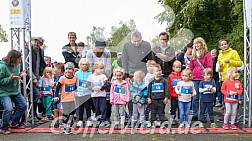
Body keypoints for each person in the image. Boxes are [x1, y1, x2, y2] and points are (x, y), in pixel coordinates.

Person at [0, 50, 27, 134]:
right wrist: (10, 79)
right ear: (13, 58)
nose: (20, 60)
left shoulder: (16, 66)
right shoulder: (2, 67)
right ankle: (3, 127)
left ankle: (14, 122)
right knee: (8, 108)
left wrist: (20, 75)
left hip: (15, 91)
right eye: (19, 59)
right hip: (4, 92)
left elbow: (15, 76)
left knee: (23, 105)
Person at [216, 39, 242, 122]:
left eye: (225, 44)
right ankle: (225, 115)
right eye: (222, 45)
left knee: (234, 97)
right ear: (220, 47)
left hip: (234, 78)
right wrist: (220, 68)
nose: (224, 46)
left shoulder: (233, 52)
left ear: (228, 45)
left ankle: (235, 116)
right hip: (225, 78)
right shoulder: (220, 55)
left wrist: (230, 61)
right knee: (226, 97)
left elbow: (239, 63)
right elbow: (220, 66)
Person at [189, 37, 212, 121]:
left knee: (204, 97)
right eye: (195, 43)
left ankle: (204, 115)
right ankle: (195, 114)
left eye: (199, 43)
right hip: (195, 78)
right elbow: (191, 67)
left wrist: (208, 76)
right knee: (195, 97)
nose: (197, 45)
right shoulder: (193, 55)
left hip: (204, 79)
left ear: (202, 44)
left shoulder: (207, 55)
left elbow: (209, 67)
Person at [24, 37, 46, 122]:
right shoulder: (27, 51)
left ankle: (33, 114)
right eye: (35, 42)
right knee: (35, 94)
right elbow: (26, 65)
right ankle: (31, 114)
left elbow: (41, 64)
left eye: (39, 43)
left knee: (35, 95)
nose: (36, 44)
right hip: (28, 77)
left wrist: (39, 75)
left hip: (36, 76)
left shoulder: (41, 51)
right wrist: (33, 78)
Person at [54, 62, 78, 134]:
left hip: (72, 99)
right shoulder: (62, 78)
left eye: (70, 69)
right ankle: (65, 127)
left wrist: (77, 93)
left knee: (72, 113)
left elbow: (76, 87)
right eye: (67, 69)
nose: (68, 71)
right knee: (65, 114)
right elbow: (57, 88)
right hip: (64, 99)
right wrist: (56, 96)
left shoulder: (75, 78)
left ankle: (68, 127)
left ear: (73, 70)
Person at [75, 58, 92, 128]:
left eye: (86, 64)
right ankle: (80, 120)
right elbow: (74, 83)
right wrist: (75, 91)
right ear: (80, 65)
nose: (84, 66)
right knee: (80, 107)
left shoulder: (90, 73)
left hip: (88, 93)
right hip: (80, 93)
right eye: (83, 64)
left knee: (88, 107)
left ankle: (88, 120)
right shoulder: (77, 73)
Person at [52, 62, 64, 128]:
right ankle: (56, 121)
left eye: (54, 68)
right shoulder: (56, 77)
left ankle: (60, 121)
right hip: (55, 94)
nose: (53, 70)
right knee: (55, 108)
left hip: (60, 94)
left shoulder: (63, 77)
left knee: (60, 108)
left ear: (59, 70)